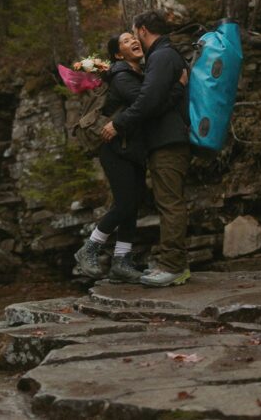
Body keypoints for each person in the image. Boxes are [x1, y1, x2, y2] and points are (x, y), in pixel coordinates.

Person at [74, 32, 185, 282]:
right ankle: (89, 249)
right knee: (124, 205)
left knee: (131, 206)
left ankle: (121, 262)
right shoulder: (122, 76)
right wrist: (178, 87)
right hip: (115, 150)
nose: (133, 41)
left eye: (134, 38)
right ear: (117, 54)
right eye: (125, 41)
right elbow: (149, 106)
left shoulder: (138, 74)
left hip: (131, 149)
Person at [100, 11, 192, 288]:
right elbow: (153, 98)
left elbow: (148, 100)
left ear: (142, 30)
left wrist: (119, 123)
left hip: (167, 140)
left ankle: (173, 267)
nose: (133, 39)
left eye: (133, 33)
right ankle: (169, 264)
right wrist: (176, 88)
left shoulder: (161, 57)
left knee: (169, 203)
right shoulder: (157, 58)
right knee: (165, 201)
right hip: (163, 140)